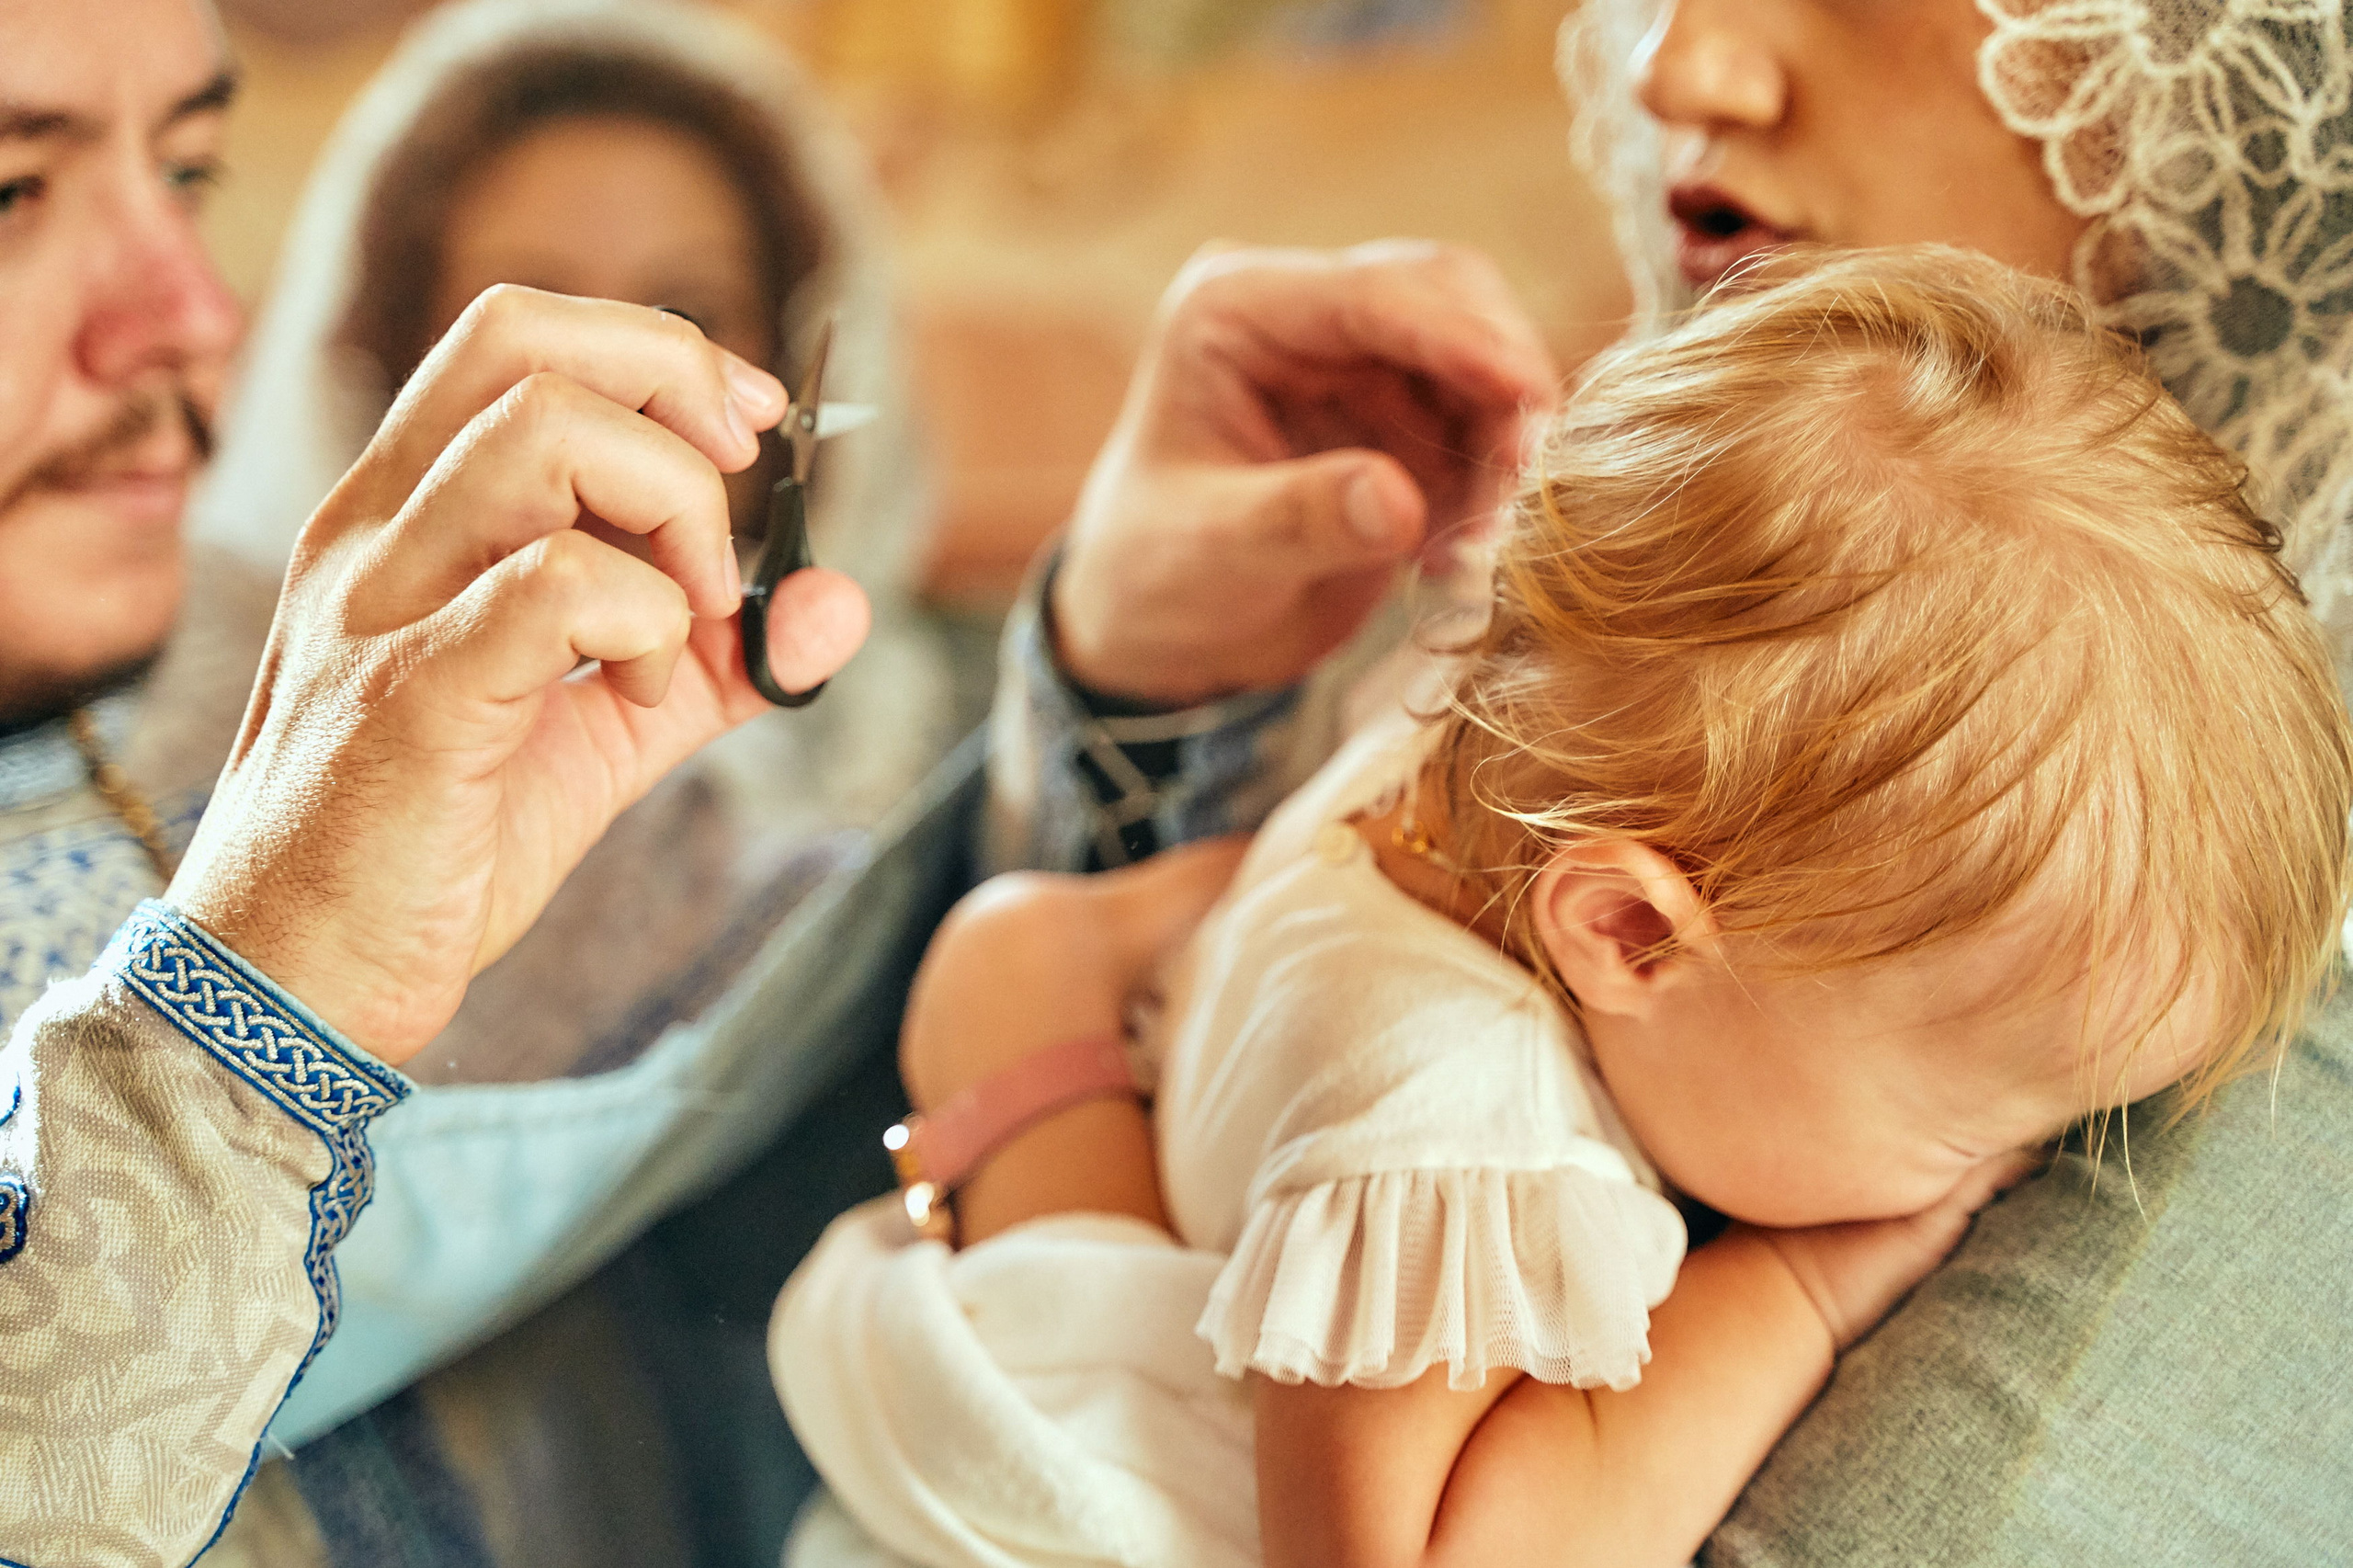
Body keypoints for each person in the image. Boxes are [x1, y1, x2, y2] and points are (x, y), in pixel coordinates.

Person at [953, 0, 2353, 1561]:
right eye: (1975, 1131)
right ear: (1624, 932)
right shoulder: (1461, 1130)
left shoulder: (1473, 741)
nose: (1666, 63)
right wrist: (1802, 1287)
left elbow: (1018, 960)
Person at [0, 0, 870, 1558]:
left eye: (189, 173)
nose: (194, 313)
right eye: (10, 193)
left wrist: (1136, 675)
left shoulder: (319, 658)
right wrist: (259, 990)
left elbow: (838, 1064)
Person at [172, 0, 954, 1470]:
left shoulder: (919, 756)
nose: (617, 383)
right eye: (531, 310)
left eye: (689, 311)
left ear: (784, 382)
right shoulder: (204, 752)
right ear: (391, 360)